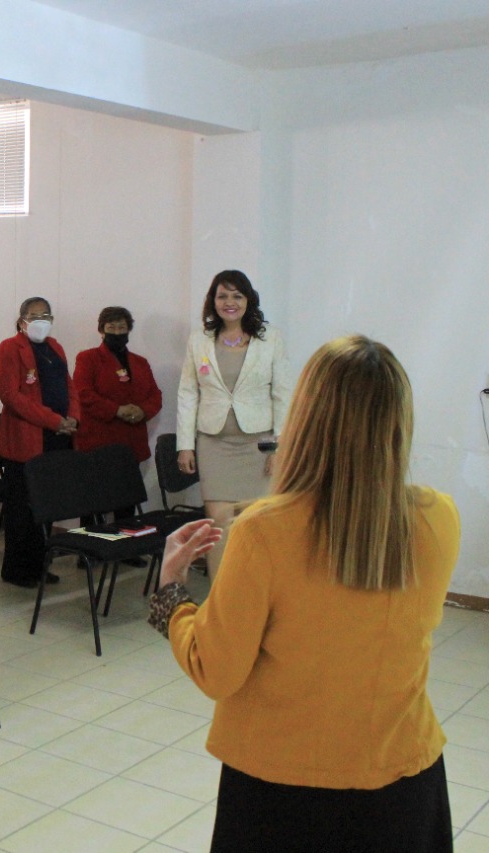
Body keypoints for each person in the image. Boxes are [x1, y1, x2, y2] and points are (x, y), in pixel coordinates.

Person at [150, 335, 460, 853]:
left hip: (282, 791)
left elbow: (217, 669)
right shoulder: (438, 517)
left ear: (306, 418)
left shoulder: (264, 531)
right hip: (403, 779)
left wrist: (172, 596)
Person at [175, 270, 291, 572]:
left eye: (237, 296)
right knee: (219, 529)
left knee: (257, 529)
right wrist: (185, 446)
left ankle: (256, 603)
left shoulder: (270, 339)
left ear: (248, 300)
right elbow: (188, 394)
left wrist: (278, 448)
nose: (229, 302)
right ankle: (221, 604)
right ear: (213, 301)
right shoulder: (199, 340)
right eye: (222, 295)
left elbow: (283, 395)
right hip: (214, 445)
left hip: (259, 447)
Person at [0, 296, 80, 587]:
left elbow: (69, 387)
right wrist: (54, 420)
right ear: (22, 321)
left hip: (56, 439)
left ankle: (41, 564)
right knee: (22, 508)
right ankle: (18, 571)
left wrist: (73, 419)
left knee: (44, 506)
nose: (41, 320)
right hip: (24, 441)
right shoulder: (10, 347)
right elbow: (11, 396)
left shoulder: (55, 347)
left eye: (46, 315)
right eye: (34, 315)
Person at [73, 306, 163, 518]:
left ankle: (125, 549)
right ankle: (91, 550)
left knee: (126, 505)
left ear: (128, 330)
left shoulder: (140, 363)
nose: (116, 332)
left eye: (121, 327)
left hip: (131, 445)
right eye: (111, 327)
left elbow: (155, 395)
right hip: (98, 444)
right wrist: (117, 410)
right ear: (101, 330)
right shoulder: (87, 358)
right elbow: (83, 393)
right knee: (94, 505)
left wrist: (143, 411)